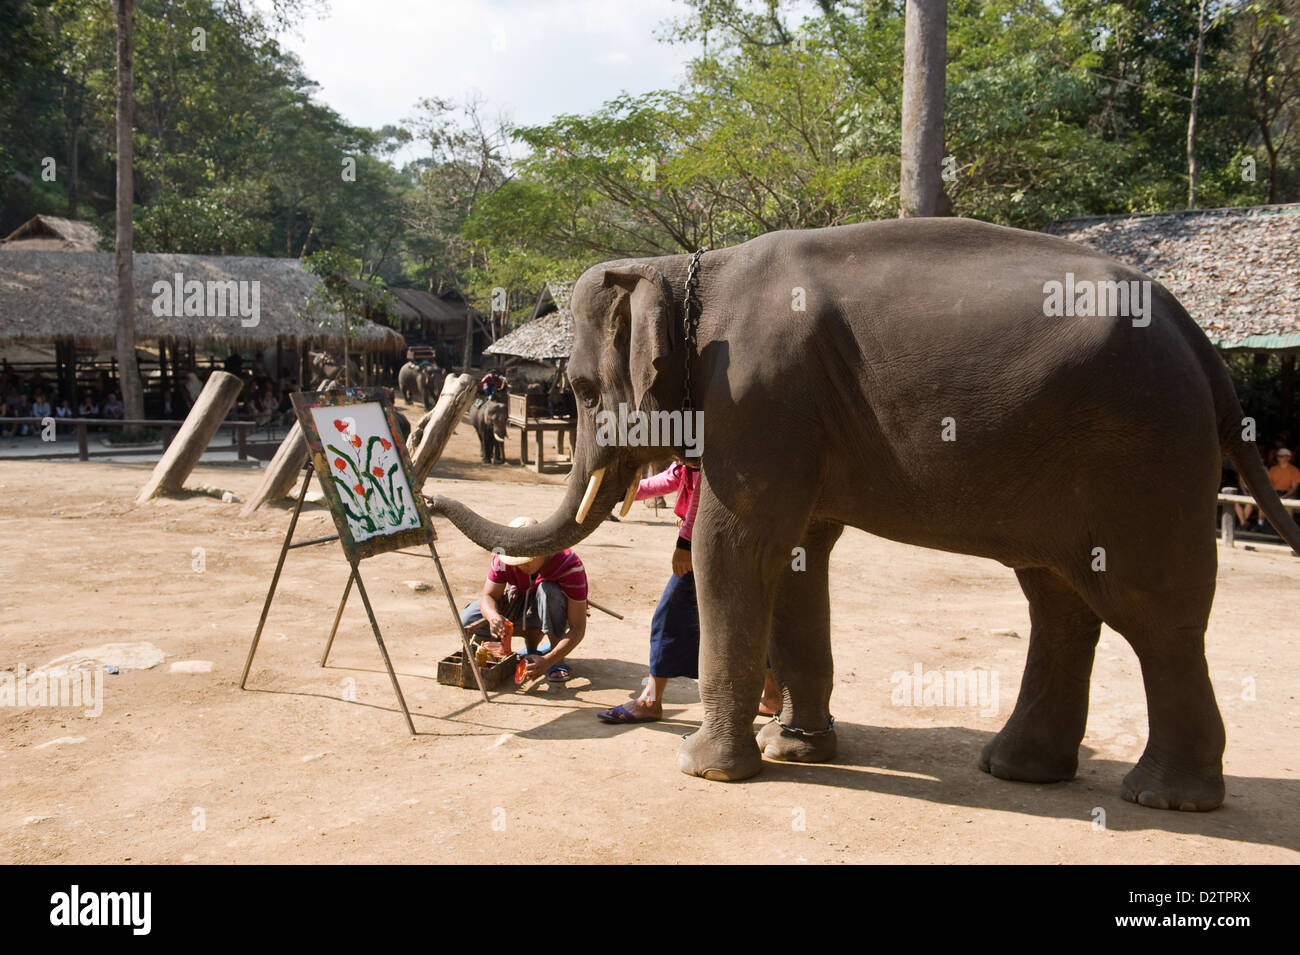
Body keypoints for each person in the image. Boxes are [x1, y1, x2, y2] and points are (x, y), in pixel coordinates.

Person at [597, 462, 781, 724]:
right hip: (731, 543)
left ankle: (650, 701)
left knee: (669, 616)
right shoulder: (689, 460)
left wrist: (685, 543)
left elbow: (702, 498)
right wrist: (623, 491)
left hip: (711, 543)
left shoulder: (705, 452)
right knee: (744, 621)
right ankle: (772, 696)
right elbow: (670, 479)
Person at [458, 516, 588, 682]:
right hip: (518, 602)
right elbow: (488, 596)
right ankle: (507, 651)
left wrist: (549, 660)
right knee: (467, 619)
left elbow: (578, 629)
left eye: (527, 560)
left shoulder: (569, 565)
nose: (521, 566)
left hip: (553, 609)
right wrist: (493, 616)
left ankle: (556, 658)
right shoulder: (502, 558)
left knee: (549, 592)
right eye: (517, 561)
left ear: (544, 550)